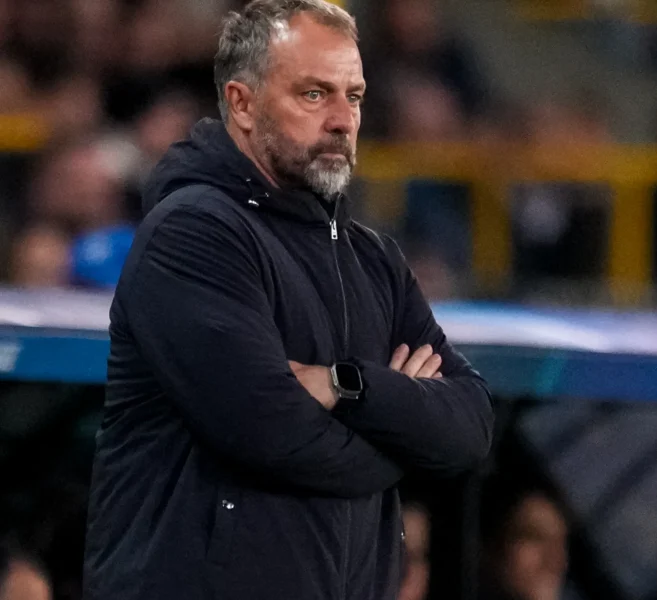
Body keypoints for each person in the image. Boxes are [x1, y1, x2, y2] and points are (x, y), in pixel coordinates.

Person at [81, 2, 495, 599]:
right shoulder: (194, 231)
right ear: (242, 104)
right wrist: (403, 440)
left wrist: (348, 385)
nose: (342, 120)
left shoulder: (372, 257)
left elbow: (472, 429)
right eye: (313, 95)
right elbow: (272, 432)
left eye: (353, 97)